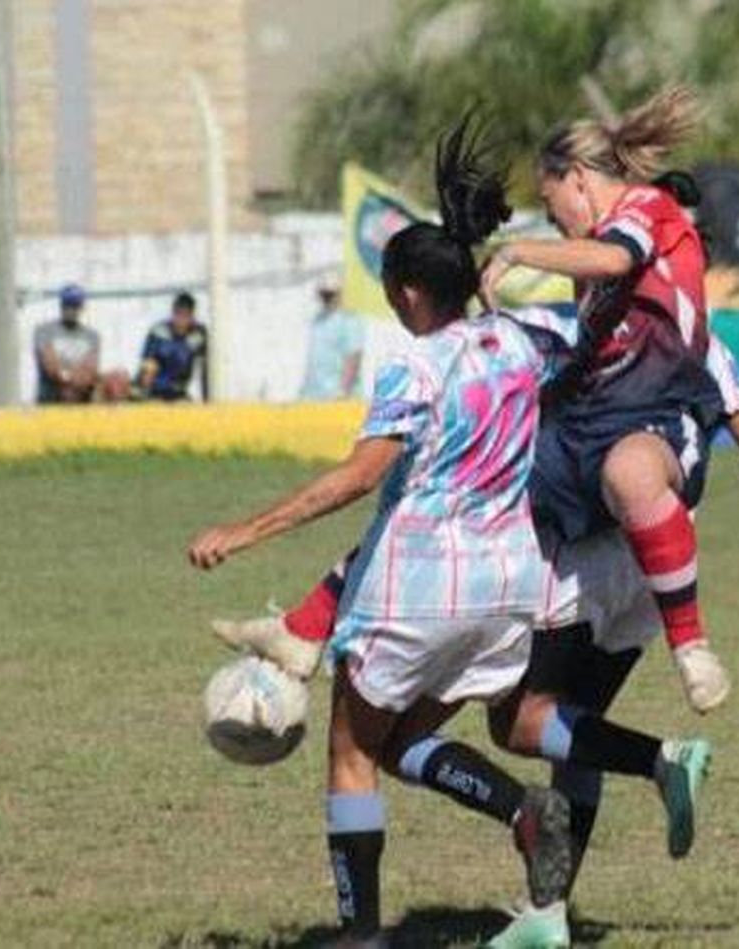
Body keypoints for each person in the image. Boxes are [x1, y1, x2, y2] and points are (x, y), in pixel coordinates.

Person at [210, 335, 739, 946]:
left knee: (453, 732)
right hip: (657, 559)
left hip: (567, 557)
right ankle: (550, 911)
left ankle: (636, 771)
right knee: (570, 730)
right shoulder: (708, 347)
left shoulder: (590, 333)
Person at [187, 121, 580, 948]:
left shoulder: (416, 365)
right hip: (509, 588)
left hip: (418, 589)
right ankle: (526, 811)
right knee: (405, 741)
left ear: (406, 294)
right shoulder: (520, 343)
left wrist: (246, 530)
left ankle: (361, 934)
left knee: (351, 753)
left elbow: (361, 475)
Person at [478, 85, 733, 714]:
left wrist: (515, 251)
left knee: (632, 473)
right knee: (469, 476)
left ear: (579, 180)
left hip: (658, 413)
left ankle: (691, 644)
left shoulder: (650, 208)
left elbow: (617, 258)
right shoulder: (585, 267)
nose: (554, 216)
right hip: (589, 422)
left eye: (549, 200)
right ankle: (309, 626)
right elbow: (593, 352)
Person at [34, 284, 102, 403]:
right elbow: (50, 366)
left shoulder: (92, 336)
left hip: (81, 390)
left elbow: (90, 368)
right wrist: (68, 378)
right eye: (67, 305)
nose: (71, 310)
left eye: (75, 305)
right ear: (61, 306)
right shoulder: (44, 331)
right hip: (52, 391)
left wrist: (76, 381)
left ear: (81, 307)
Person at [300, 281, 366, 400]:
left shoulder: (349, 320)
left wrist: (343, 392)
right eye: (324, 295)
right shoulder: (318, 319)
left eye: (330, 295)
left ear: (339, 294)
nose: (326, 299)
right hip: (313, 395)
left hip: (338, 398)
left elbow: (354, 357)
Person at [137, 292, 208, 401]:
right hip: (155, 390)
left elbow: (206, 369)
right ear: (173, 313)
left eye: (186, 316)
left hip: (179, 392)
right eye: (178, 314)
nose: (181, 320)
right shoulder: (159, 332)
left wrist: (207, 400)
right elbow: (147, 365)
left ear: (192, 317)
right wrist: (144, 390)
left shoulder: (198, 335)